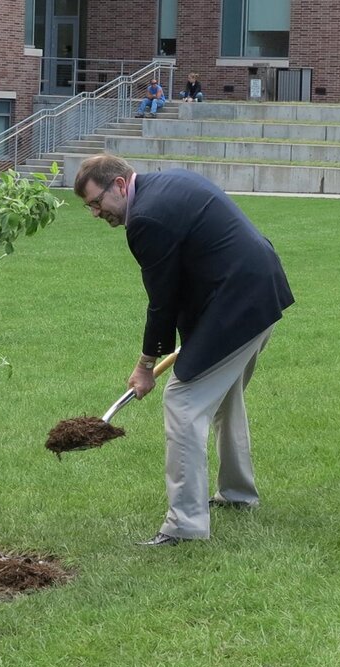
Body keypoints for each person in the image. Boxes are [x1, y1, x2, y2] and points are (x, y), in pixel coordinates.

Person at [74, 154, 294, 546]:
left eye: (96, 203)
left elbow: (162, 300)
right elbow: (189, 276)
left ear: (120, 186)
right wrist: (192, 337)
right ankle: (238, 495)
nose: (95, 213)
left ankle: (185, 526)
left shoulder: (144, 220)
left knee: (183, 401)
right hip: (260, 291)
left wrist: (145, 365)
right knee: (225, 398)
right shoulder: (167, 185)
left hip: (240, 303)